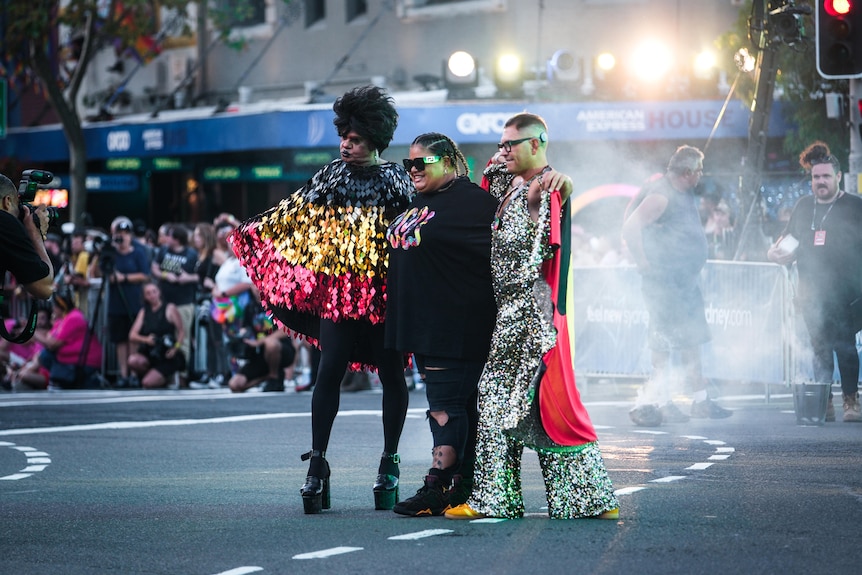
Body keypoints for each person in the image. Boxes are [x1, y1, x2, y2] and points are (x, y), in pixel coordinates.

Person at [230, 85, 413, 514]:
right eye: (343, 137)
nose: (345, 145)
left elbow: (413, 232)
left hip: (384, 295)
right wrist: (253, 231)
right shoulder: (331, 173)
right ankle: (317, 465)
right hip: (339, 294)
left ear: (374, 139)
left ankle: (390, 463)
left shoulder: (396, 178)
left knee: (391, 372)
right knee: (328, 370)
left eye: (354, 139)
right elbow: (293, 214)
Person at [445, 113, 618, 520]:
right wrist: (504, 159)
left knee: (510, 398)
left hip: (528, 311)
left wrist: (564, 181)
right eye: (501, 143)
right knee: (525, 404)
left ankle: (500, 499)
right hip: (508, 310)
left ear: (537, 143)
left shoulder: (542, 184)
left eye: (511, 144)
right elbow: (490, 172)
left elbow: (556, 189)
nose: (502, 151)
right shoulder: (512, 182)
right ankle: (583, 499)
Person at [385, 132, 498, 517]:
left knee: (445, 407)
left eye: (422, 163)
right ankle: (463, 485)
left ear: (449, 161)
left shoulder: (476, 205)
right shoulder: (422, 201)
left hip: (455, 324)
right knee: (459, 404)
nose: (413, 169)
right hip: (424, 324)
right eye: (409, 164)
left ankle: (438, 486)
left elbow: (505, 257)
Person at [621, 145, 733, 427]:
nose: (701, 176)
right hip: (664, 281)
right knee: (662, 339)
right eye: (699, 171)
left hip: (683, 281)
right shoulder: (662, 194)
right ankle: (660, 401)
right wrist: (644, 264)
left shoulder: (681, 192)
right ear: (687, 173)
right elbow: (630, 226)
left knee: (692, 337)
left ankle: (700, 399)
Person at [767, 142, 862, 422]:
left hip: (849, 293)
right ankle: (824, 400)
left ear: (838, 177)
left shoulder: (854, 205)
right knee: (819, 346)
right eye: (816, 177)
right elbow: (787, 240)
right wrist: (773, 253)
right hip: (810, 293)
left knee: (844, 344)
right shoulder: (804, 205)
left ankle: (850, 403)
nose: (820, 182)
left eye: (826, 177)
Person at [89, 216, 151, 388]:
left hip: (133, 300)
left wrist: (123, 278)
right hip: (116, 302)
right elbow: (97, 273)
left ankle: (133, 373)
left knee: (133, 338)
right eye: (119, 233)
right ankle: (123, 373)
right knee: (120, 340)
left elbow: (145, 275)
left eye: (125, 233)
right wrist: (100, 253)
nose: (122, 236)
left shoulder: (138, 252)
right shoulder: (111, 252)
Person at [151, 224, 198, 384]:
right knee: (165, 337)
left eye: (169, 236)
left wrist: (188, 278)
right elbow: (155, 268)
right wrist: (165, 275)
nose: (166, 239)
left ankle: (183, 374)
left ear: (177, 239)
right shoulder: (163, 250)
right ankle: (167, 373)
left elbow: (201, 276)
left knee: (182, 337)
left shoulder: (191, 254)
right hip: (165, 301)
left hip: (183, 302)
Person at [31, 290, 102, 389]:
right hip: (73, 358)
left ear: (61, 306)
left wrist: (32, 332)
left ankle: (68, 380)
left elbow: (52, 344)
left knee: (45, 355)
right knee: (43, 354)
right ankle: (63, 380)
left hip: (85, 361)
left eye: (55, 307)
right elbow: (50, 336)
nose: (53, 310)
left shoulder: (73, 318)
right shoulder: (64, 319)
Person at [0, 173, 54, 300]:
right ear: (7, 202)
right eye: (17, 207)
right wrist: (35, 234)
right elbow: (45, 288)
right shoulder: (4, 221)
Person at [227, 297, 297, 393]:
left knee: (271, 343)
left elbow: (288, 330)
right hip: (259, 354)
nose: (257, 289)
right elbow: (245, 329)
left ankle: (274, 376)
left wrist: (260, 341)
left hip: (282, 350)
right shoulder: (250, 307)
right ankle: (266, 377)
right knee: (234, 384)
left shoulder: (277, 303)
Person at [127, 281, 186, 389]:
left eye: (154, 292)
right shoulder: (144, 312)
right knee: (132, 360)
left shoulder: (170, 308)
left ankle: (165, 376)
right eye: (148, 293)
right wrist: (146, 340)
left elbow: (181, 331)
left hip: (167, 354)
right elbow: (132, 335)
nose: (152, 295)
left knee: (147, 383)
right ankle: (152, 374)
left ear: (159, 292)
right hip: (151, 353)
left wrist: (175, 348)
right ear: (145, 297)